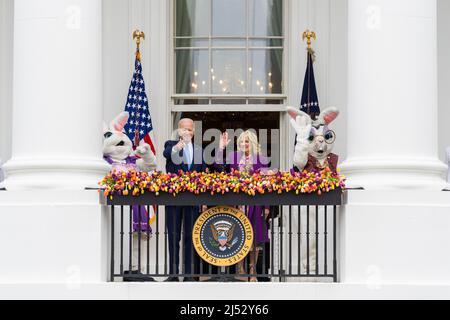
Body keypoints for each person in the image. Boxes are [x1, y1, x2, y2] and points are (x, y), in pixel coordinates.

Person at [215, 130, 273, 282]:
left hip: (255, 204)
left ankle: (252, 270)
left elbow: (266, 184)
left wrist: (266, 206)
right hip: (237, 205)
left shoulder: (261, 159)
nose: (243, 144)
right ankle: (240, 268)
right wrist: (221, 148)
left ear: (252, 143)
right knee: (239, 236)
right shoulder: (234, 157)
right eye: (241, 141)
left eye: (247, 141)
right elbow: (218, 166)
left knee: (255, 238)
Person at [163, 118, 206, 282]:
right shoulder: (170, 144)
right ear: (178, 131)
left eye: (189, 130)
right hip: (174, 200)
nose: (187, 132)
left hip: (192, 201)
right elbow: (166, 154)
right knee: (174, 236)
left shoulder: (199, 150)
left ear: (194, 131)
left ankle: (189, 274)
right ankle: (173, 274)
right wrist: (177, 147)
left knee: (190, 237)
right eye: (184, 129)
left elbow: (202, 175)